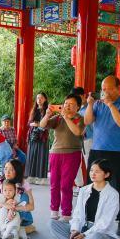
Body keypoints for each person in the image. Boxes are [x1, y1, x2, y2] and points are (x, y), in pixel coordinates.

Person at [84, 75, 120, 236]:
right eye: (103, 89)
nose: (104, 92)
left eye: (108, 89)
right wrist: (90, 104)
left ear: (117, 88)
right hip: (97, 149)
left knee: (119, 187)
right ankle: (89, 218)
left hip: (116, 151)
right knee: (91, 185)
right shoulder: (98, 104)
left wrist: (111, 105)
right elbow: (87, 121)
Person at [50, 159, 119, 239]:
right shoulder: (83, 190)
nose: (93, 174)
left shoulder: (113, 194)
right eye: (91, 170)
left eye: (97, 171)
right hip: (82, 227)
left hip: (101, 232)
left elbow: (105, 223)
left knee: (98, 238)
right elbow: (77, 214)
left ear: (106, 174)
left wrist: (84, 235)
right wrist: (75, 230)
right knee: (52, 223)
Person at [39, 93, 84, 221]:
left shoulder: (80, 118)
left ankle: (66, 213)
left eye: (71, 104)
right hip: (55, 153)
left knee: (66, 185)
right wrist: (47, 115)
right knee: (54, 184)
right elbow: (42, 125)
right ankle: (54, 210)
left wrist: (66, 117)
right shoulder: (58, 118)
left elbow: (77, 132)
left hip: (72, 154)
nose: (67, 106)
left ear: (78, 107)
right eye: (66, 103)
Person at [0, 159, 35, 230]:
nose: (7, 172)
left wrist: (13, 208)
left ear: (17, 171)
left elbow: (31, 207)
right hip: (0, 212)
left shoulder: (24, 184)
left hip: (16, 213)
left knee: (24, 196)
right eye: (6, 169)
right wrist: (4, 205)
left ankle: (14, 227)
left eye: (11, 169)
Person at [25, 93, 50, 184]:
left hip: (43, 136)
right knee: (32, 155)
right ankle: (31, 176)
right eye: (38, 98)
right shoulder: (34, 110)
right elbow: (29, 123)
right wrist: (34, 124)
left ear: (45, 99)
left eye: (41, 98)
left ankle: (42, 178)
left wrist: (38, 124)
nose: (39, 100)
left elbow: (49, 124)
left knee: (41, 156)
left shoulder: (48, 110)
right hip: (33, 135)